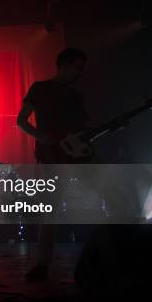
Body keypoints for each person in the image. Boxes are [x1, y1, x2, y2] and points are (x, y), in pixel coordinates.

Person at [16, 47, 89, 281]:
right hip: (52, 158)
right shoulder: (40, 88)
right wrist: (41, 136)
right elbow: (21, 120)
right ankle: (43, 264)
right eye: (78, 67)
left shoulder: (76, 95)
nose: (80, 73)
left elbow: (83, 128)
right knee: (49, 212)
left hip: (76, 156)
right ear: (65, 64)